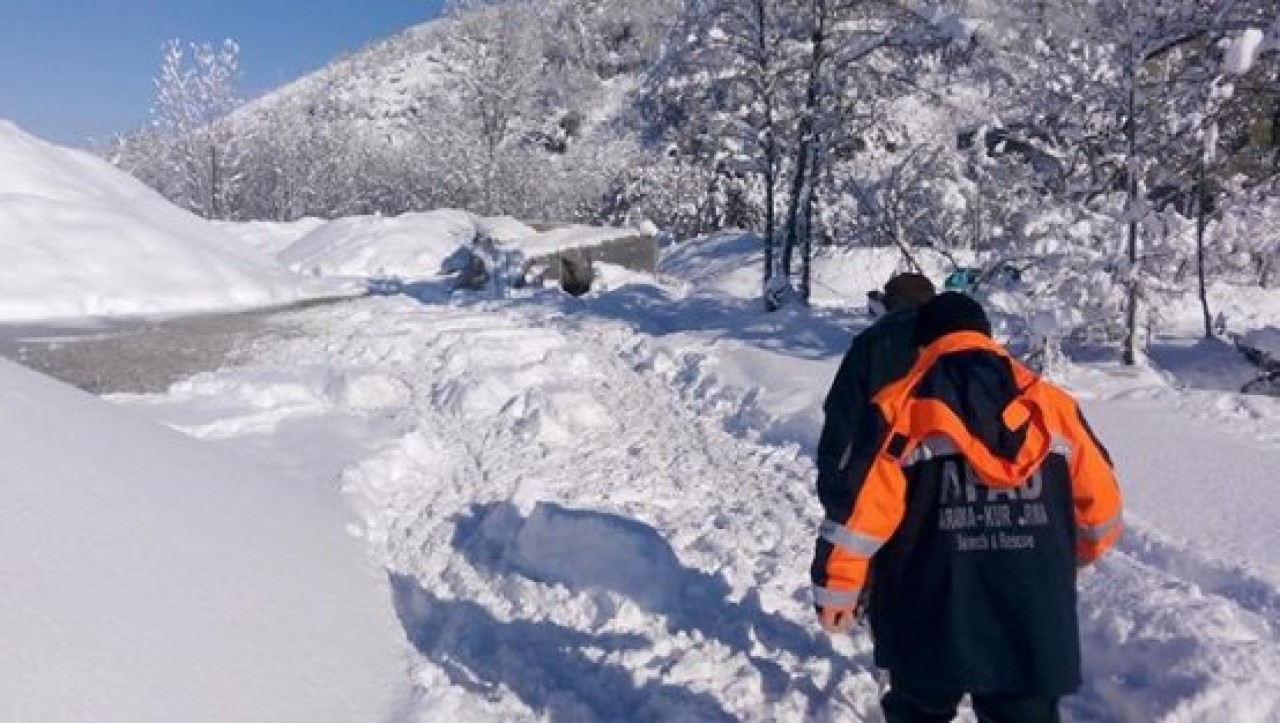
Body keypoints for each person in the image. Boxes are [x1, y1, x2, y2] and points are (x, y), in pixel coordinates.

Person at [810, 292, 1123, 723]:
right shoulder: (1052, 405)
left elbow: (861, 512)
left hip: (928, 602)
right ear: (985, 336)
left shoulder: (898, 408)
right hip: (1026, 606)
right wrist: (1067, 556)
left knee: (919, 708)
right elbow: (1101, 507)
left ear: (922, 345)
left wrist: (837, 589)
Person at [815, 272, 936, 536]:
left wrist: (834, 484)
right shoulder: (960, 342)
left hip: (882, 476)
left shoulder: (873, 341)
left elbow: (843, 415)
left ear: (890, 303)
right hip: (950, 485)